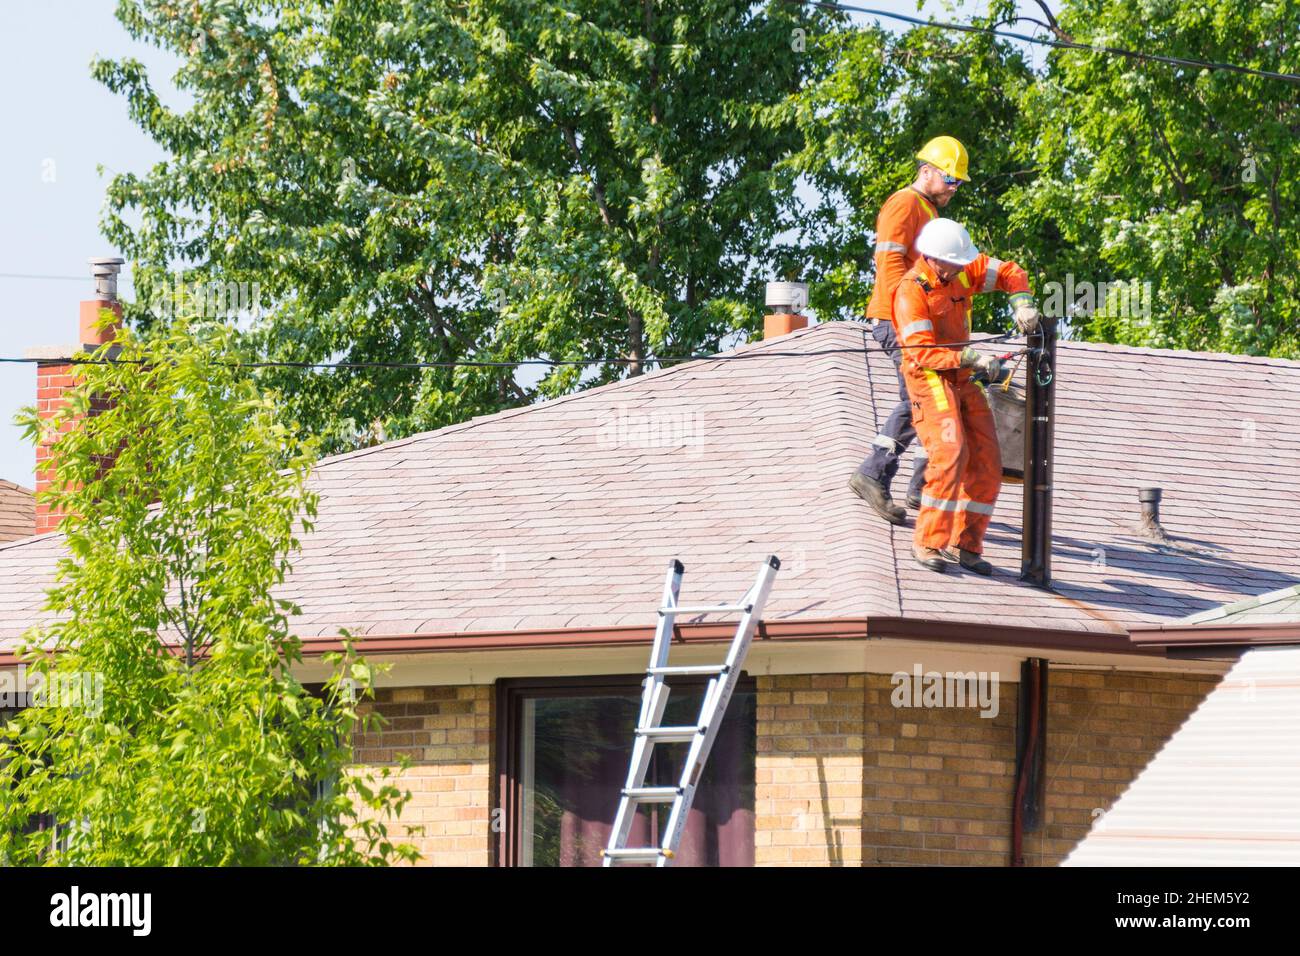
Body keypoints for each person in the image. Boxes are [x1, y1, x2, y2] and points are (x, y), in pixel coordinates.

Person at [893, 217, 1040, 575]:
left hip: (963, 375)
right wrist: (973, 357)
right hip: (930, 378)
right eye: (955, 262)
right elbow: (922, 352)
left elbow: (1008, 272)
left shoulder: (959, 270)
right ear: (935, 258)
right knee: (950, 453)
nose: (962, 267)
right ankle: (929, 542)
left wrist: (1022, 302)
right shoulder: (911, 292)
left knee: (989, 461)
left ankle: (967, 545)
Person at [849, 135, 969, 525]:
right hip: (896, 319)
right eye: (950, 180)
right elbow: (891, 265)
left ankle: (921, 486)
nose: (954, 188)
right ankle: (872, 474)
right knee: (921, 399)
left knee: (936, 399)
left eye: (959, 184)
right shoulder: (904, 204)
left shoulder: (930, 213)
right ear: (926, 171)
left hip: (916, 322)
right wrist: (907, 319)